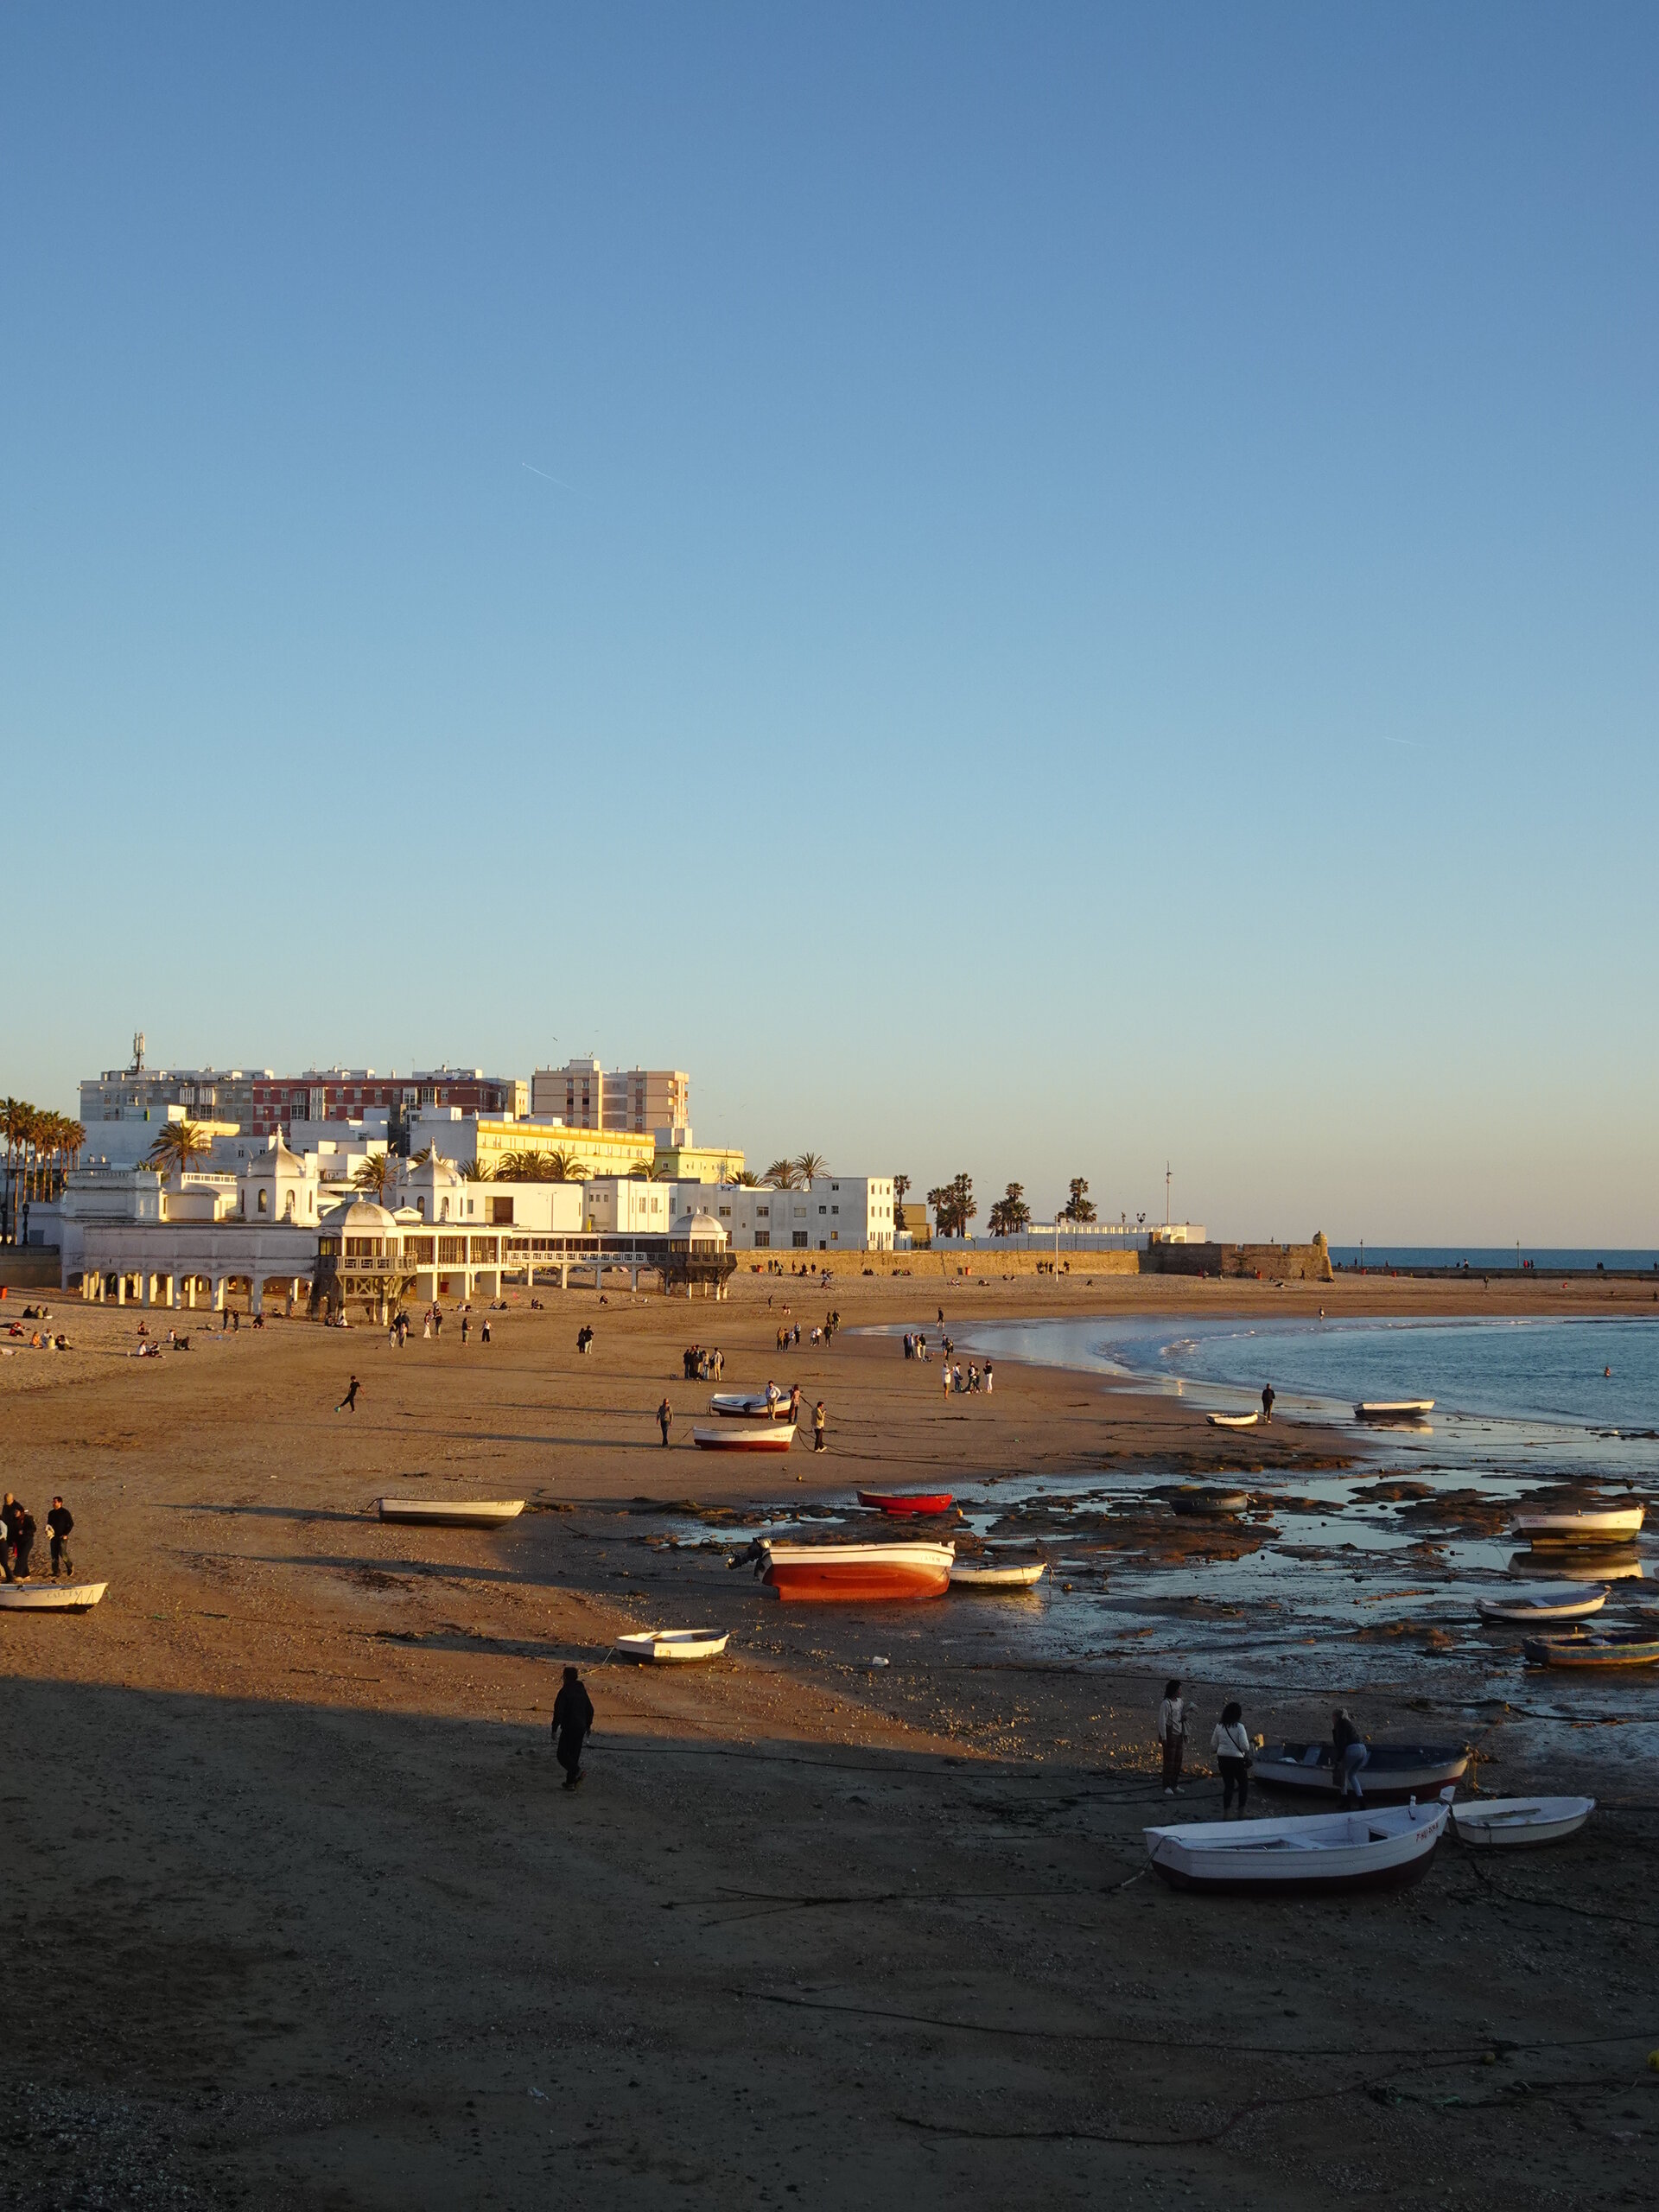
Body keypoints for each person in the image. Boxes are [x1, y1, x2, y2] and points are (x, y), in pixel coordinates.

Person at [552, 1665, 594, 1789]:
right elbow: (590, 1709)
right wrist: (588, 1725)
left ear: (565, 1677)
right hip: (581, 1727)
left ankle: (576, 1772)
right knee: (574, 1755)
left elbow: (558, 1711)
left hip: (570, 1727)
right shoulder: (581, 1690)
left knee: (562, 1755)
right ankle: (570, 1783)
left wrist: (554, 1729)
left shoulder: (564, 1692)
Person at [1211, 1700, 1251, 1818]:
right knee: (1243, 1784)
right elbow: (1245, 1746)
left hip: (1222, 1759)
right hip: (1237, 1760)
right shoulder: (1239, 1727)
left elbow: (1213, 1744)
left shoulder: (1219, 1726)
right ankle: (1241, 1812)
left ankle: (1226, 1813)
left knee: (1228, 1785)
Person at [1332, 1708, 1369, 1800]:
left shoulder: (1340, 1725)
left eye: (1332, 1717)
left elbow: (1341, 1743)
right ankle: (1361, 1800)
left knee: (1342, 1773)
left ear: (1335, 1717)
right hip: (1362, 1749)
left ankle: (1345, 1801)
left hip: (1352, 1750)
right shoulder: (1348, 1723)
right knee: (1352, 1775)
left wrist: (1339, 1759)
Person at [1159, 1679, 1186, 1796]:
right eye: (1179, 1689)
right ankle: (1167, 1785)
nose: (1180, 1691)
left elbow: (1180, 1716)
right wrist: (1164, 1737)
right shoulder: (1166, 1703)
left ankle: (1174, 1784)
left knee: (1177, 1761)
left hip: (1179, 1734)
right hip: (1170, 1735)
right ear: (1174, 1690)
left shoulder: (1180, 1702)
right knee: (1169, 1762)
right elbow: (1162, 1721)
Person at [47, 1496, 74, 1580]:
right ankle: (56, 1571)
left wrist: (66, 1534)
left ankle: (70, 1566)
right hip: (53, 1537)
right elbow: (49, 1524)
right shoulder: (51, 1513)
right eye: (53, 1502)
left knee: (62, 1553)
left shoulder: (65, 1512)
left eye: (55, 1502)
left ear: (60, 1503)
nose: (53, 1503)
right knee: (54, 1555)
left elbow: (71, 1524)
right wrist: (48, 1531)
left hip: (62, 1537)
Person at [10, 1497, 35, 1581]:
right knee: (22, 1557)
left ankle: (18, 1574)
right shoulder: (14, 1520)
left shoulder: (27, 1519)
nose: (15, 1513)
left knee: (22, 1557)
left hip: (27, 1541)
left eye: (16, 1511)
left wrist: (24, 1531)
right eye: (14, 1511)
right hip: (19, 1542)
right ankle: (26, 1575)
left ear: (21, 1512)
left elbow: (33, 1529)